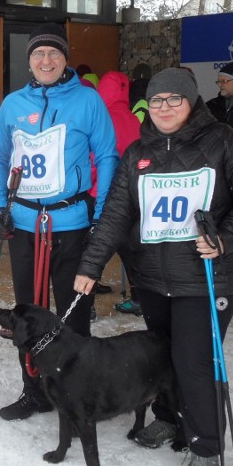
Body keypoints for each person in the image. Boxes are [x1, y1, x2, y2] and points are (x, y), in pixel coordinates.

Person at [74, 68, 233, 466]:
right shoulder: (138, 152)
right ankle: (168, 416)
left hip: (206, 277)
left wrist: (226, 238)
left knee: (194, 362)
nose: (164, 108)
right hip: (154, 278)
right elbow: (116, 215)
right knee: (159, 353)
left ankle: (204, 448)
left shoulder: (222, 141)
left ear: (190, 103)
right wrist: (91, 265)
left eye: (173, 100)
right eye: (157, 101)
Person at [0, 23, 119, 421]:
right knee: (28, 313)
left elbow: (107, 157)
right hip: (24, 224)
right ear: (29, 61)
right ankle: (35, 391)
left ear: (65, 59)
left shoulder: (87, 100)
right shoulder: (12, 104)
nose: (46, 61)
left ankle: (78, 396)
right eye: (38, 54)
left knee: (73, 314)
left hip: (71, 222)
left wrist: (101, 215)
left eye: (54, 54)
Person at [95, 70, 142, 315]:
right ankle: (138, 298)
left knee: (93, 247)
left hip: (101, 193)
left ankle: (86, 304)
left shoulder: (101, 118)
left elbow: (95, 159)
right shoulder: (133, 118)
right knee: (129, 250)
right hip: (130, 195)